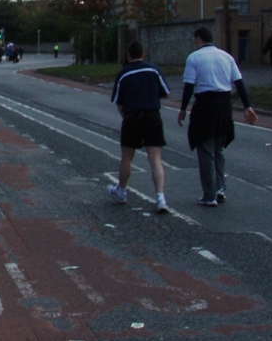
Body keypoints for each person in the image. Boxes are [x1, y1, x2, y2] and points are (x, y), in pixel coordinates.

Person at [177, 27, 258, 206]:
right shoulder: (226, 57)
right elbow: (239, 83)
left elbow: (189, 86)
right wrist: (247, 106)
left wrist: (183, 109)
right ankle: (220, 188)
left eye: (194, 40)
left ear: (198, 39)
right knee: (218, 148)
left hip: (205, 104)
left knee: (205, 148)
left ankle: (209, 194)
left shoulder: (194, 58)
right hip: (224, 105)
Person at [107, 41, 172, 213]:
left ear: (128, 55)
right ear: (143, 53)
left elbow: (119, 103)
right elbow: (166, 92)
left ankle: (121, 191)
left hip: (132, 117)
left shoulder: (123, 74)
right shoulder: (153, 70)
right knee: (155, 158)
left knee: (127, 157)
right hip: (152, 116)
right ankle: (160, 197)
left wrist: (127, 117)